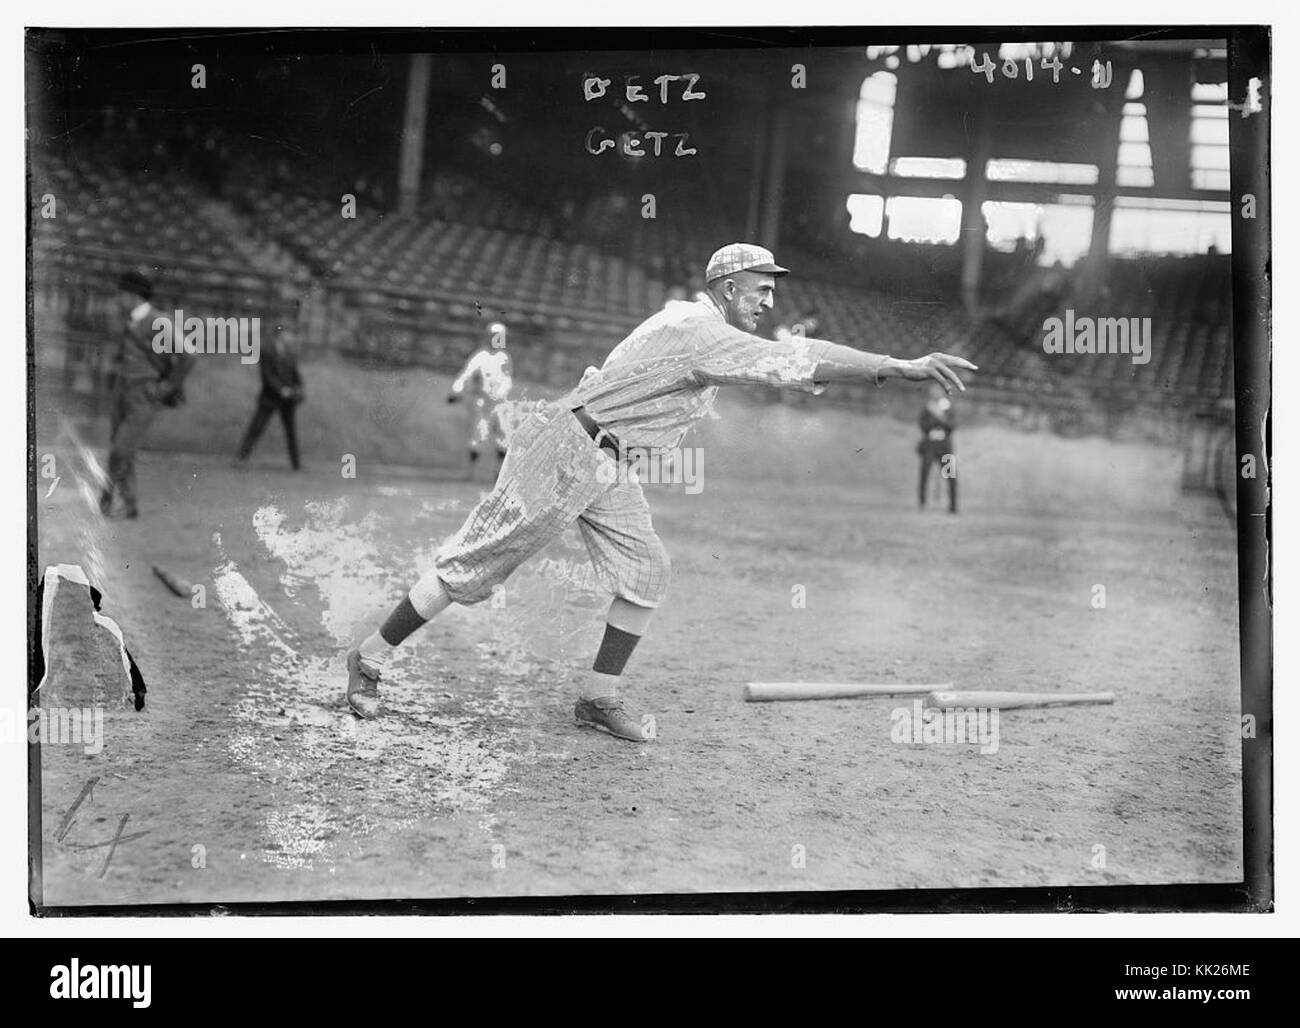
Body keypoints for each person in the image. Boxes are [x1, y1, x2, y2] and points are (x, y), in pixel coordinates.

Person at [345, 243, 976, 741]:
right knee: (472, 568)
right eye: (760, 291)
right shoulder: (697, 329)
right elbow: (791, 358)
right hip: (566, 448)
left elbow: (743, 364)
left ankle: (595, 698)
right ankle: (368, 659)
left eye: (772, 293)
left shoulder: (687, 327)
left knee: (647, 571)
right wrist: (894, 365)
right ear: (727, 289)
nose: (767, 302)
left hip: (606, 462)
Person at [99, 270, 190, 519]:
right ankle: (128, 504)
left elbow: (189, 355)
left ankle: (108, 496)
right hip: (122, 389)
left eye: (122, 294)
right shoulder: (128, 319)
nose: (118, 298)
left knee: (120, 448)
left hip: (144, 393)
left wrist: (165, 388)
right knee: (120, 447)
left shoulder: (158, 320)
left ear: (134, 296)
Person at [234, 310, 304, 469]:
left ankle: (296, 464)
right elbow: (267, 376)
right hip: (270, 398)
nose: (292, 337)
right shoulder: (267, 351)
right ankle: (241, 457)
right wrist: (281, 390)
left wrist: (298, 388)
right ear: (281, 334)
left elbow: (295, 374)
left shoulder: (290, 353)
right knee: (256, 428)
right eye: (289, 333)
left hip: (287, 401)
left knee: (291, 433)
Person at [447, 321, 513, 479]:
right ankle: (470, 471)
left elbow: (507, 379)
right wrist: (456, 391)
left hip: (499, 403)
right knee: (479, 434)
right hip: (482, 403)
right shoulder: (480, 357)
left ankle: (498, 473)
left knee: (503, 435)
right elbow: (466, 375)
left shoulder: (504, 357)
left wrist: (500, 393)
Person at [917, 383, 958, 513]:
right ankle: (922, 502)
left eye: (937, 391)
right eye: (933, 391)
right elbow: (923, 426)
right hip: (930, 445)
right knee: (925, 473)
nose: (935, 393)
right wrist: (935, 422)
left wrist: (940, 418)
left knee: (951, 475)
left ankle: (953, 505)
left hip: (945, 447)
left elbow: (952, 426)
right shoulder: (927, 408)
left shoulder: (948, 408)